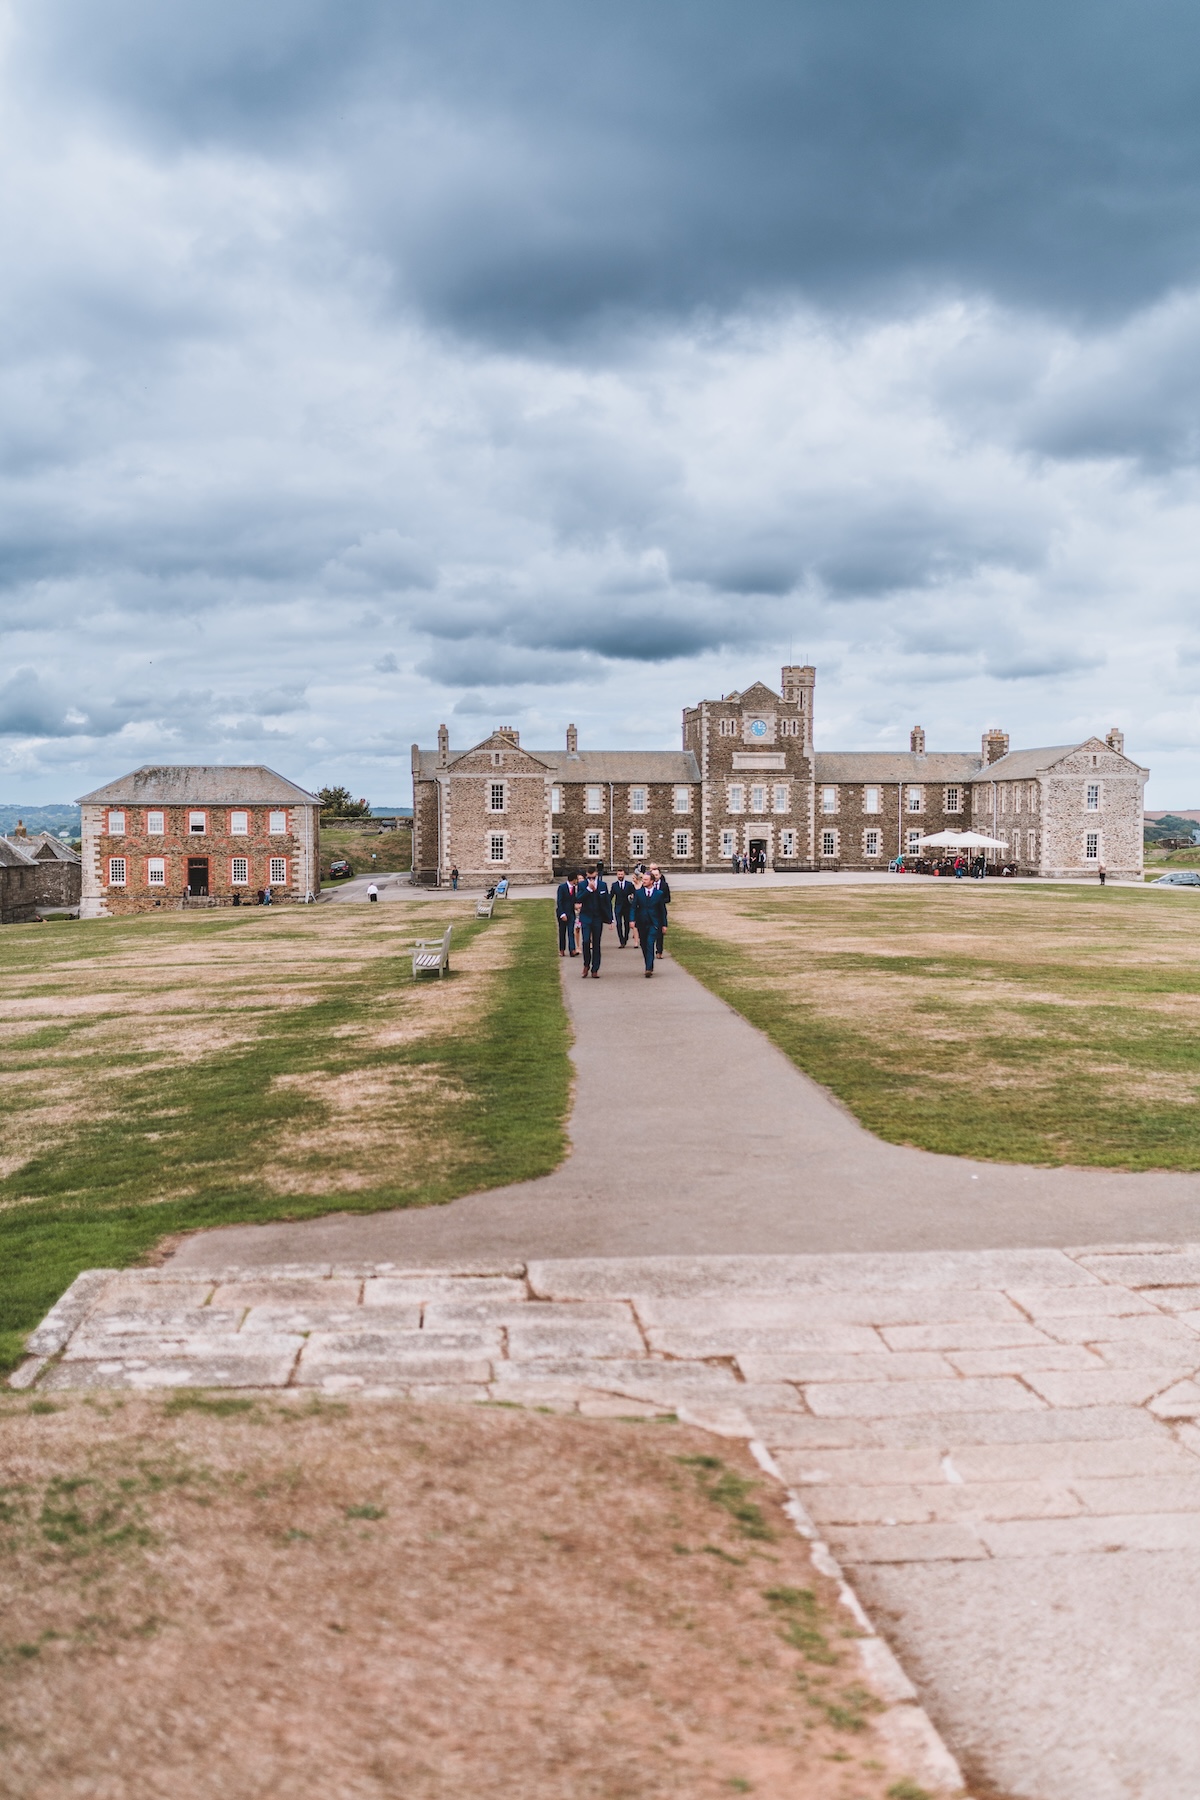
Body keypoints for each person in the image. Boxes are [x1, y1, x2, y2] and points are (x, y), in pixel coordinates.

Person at [575, 866, 612, 977]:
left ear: (596, 874)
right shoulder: (582, 885)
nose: (591, 878)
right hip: (586, 917)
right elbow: (578, 898)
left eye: (593, 876)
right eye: (589, 876)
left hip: (597, 917)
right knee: (586, 941)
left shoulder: (602, 885)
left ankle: (595, 968)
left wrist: (611, 919)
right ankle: (586, 964)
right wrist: (589, 889)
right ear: (587, 875)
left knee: (596, 943)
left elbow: (607, 902)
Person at [632, 873, 668, 977]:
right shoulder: (638, 893)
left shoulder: (659, 894)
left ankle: (648, 968)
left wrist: (664, 925)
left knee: (650, 943)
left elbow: (662, 911)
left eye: (646, 880)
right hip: (642, 922)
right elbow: (634, 907)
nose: (644, 881)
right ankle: (648, 963)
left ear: (652, 881)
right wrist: (632, 920)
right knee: (643, 944)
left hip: (654, 923)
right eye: (643, 879)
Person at [556, 870, 581, 956]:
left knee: (571, 932)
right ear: (573, 879)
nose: (577, 881)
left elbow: (573, 899)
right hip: (562, 913)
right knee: (562, 932)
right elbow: (559, 901)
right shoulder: (562, 887)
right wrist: (562, 914)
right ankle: (562, 950)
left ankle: (572, 950)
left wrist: (577, 905)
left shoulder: (574, 888)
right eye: (576, 879)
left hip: (571, 913)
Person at [649, 864, 671, 956]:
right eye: (653, 875)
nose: (655, 877)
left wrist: (660, 901)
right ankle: (648, 950)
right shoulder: (648, 885)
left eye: (657, 875)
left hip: (660, 911)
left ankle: (659, 951)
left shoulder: (664, 885)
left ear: (660, 875)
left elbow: (668, 899)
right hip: (650, 912)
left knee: (659, 933)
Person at [610, 868, 635, 946]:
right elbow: (611, 896)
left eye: (621, 874)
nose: (620, 876)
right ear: (617, 875)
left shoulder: (629, 884)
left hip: (627, 907)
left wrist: (632, 897)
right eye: (619, 874)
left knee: (627, 924)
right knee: (619, 924)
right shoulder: (614, 885)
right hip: (618, 907)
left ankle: (626, 937)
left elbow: (634, 894)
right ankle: (621, 941)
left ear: (624, 875)